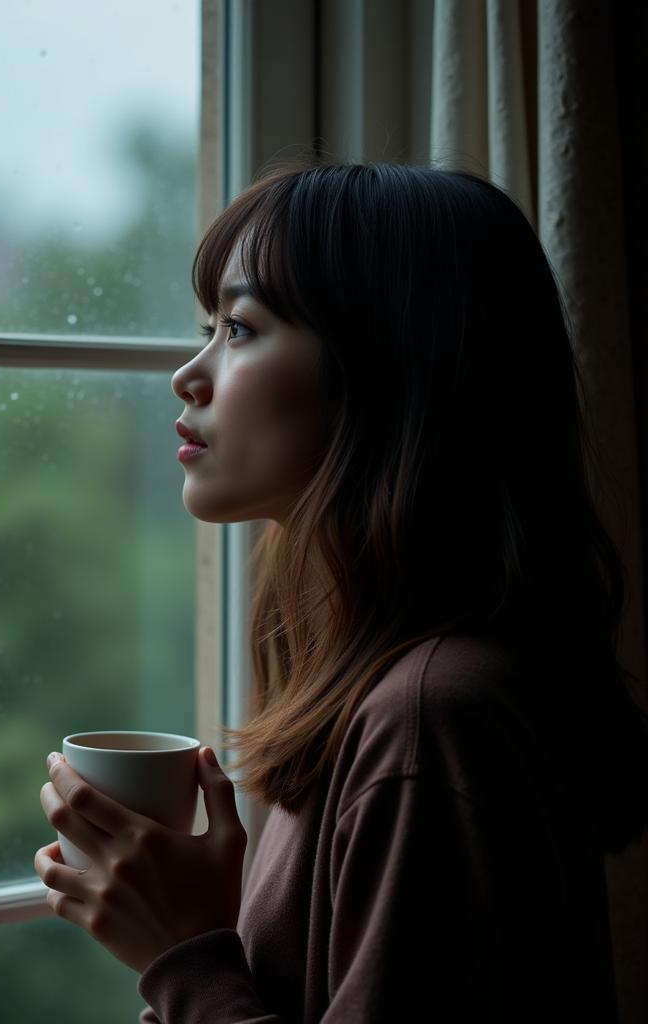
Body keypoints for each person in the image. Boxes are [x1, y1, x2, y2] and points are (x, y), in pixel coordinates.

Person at [34, 163, 648, 1021]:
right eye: (207, 326)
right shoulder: (374, 692)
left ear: (392, 368)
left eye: (241, 329)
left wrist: (186, 960)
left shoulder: (431, 720)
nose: (189, 373)